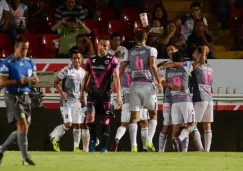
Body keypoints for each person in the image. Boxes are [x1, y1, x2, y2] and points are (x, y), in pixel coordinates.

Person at [120, 30, 162, 152]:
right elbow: (153, 65)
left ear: (135, 38)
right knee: (153, 114)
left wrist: (114, 81)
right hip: (147, 84)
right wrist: (158, 81)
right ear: (146, 37)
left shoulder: (130, 51)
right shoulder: (151, 50)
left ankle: (134, 146)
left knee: (134, 116)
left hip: (134, 85)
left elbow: (122, 67)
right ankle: (148, 140)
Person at [0, 37, 39, 165]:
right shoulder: (7, 62)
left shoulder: (30, 62)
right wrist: (18, 81)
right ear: (15, 48)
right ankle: (25, 158)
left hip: (25, 96)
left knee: (23, 128)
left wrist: (34, 81)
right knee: (22, 124)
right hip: (12, 96)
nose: (25, 51)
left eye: (27, 48)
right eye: (22, 48)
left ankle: (1, 149)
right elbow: (2, 83)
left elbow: (35, 78)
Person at [108, 32, 150, 152]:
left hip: (126, 95)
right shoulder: (135, 66)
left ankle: (117, 139)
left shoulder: (117, 69)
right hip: (137, 93)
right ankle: (144, 147)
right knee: (143, 121)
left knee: (125, 123)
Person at [80, 36, 122, 153]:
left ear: (108, 47)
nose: (103, 47)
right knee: (90, 118)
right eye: (101, 44)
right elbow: (86, 77)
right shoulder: (91, 59)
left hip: (106, 96)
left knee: (105, 120)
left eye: (105, 46)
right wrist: (81, 93)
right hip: (92, 95)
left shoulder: (112, 59)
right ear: (98, 45)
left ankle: (104, 146)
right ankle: (93, 139)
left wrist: (118, 95)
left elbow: (116, 78)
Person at [160, 51, 204, 152]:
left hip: (175, 102)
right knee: (192, 125)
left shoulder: (166, 69)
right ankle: (179, 140)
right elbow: (200, 62)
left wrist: (169, 84)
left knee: (176, 127)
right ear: (182, 60)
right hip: (186, 100)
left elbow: (160, 80)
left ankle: (177, 150)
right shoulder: (186, 66)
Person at [49, 50, 90, 152]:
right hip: (66, 101)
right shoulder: (66, 70)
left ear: (81, 59)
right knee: (68, 124)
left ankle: (76, 148)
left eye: (78, 58)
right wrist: (61, 92)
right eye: (74, 58)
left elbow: (84, 87)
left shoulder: (84, 72)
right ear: (71, 59)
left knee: (78, 124)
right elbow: (55, 83)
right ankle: (54, 135)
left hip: (78, 101)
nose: (76, 60)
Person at [191, 46, 213, 152]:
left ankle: (201, 148)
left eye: (196, 52)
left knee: (193, 124)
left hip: (200, 98)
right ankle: (207, 150)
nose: (193, 53)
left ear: (201, 55)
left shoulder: (196, 65)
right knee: (207, 124)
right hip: (209, 98)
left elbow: (199, 63)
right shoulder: (209, 67)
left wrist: (203, 51)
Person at [157, 44, 178, 152]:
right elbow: (159, 81)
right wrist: (169, 84)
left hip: (180, 99)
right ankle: (161, 150)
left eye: (172, 49)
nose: (170, 52)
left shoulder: (183, 64)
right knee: (167, 123)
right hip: (168, 98)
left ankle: (177, 148)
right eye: (168, 50)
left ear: (177, 50)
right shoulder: (163, 65)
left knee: (178, 124)